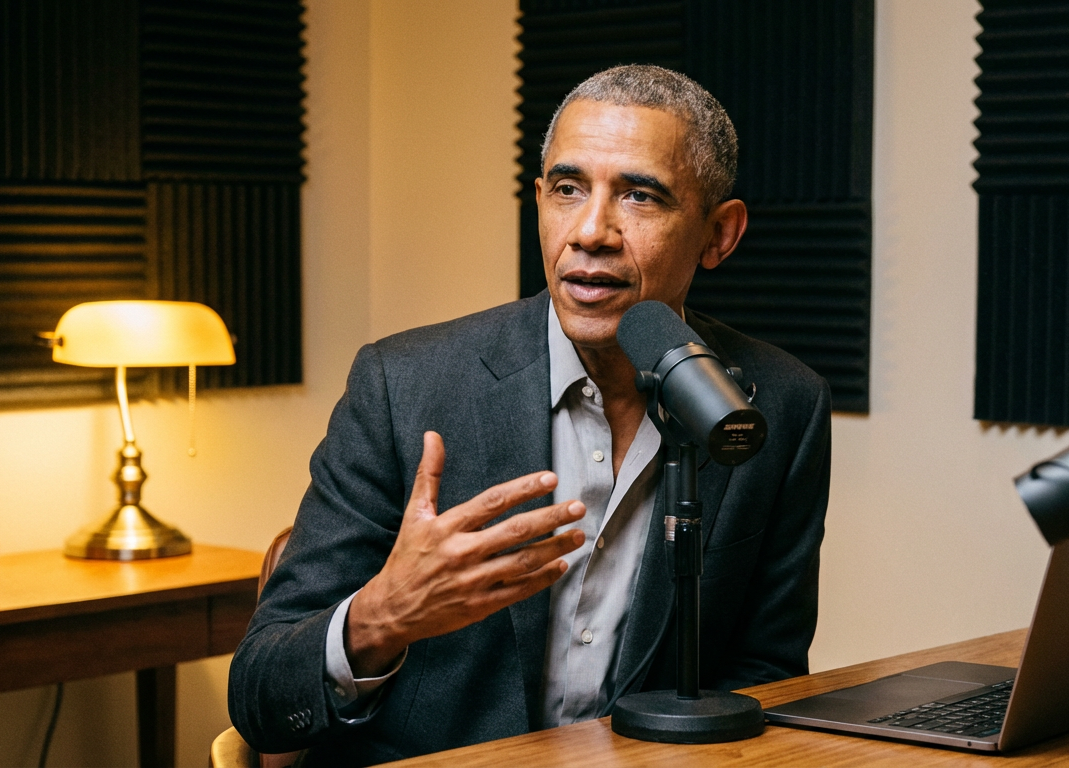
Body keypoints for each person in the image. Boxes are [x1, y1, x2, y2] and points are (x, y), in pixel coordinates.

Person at [229, 65, 832, 765]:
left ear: (718, 234)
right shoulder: (404, 385)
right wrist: (382, 617)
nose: (591, 231)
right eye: (568, 190)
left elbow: (767, 677)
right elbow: (260, 695)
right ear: (539, 200)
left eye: (640, 196)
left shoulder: (779, 405)